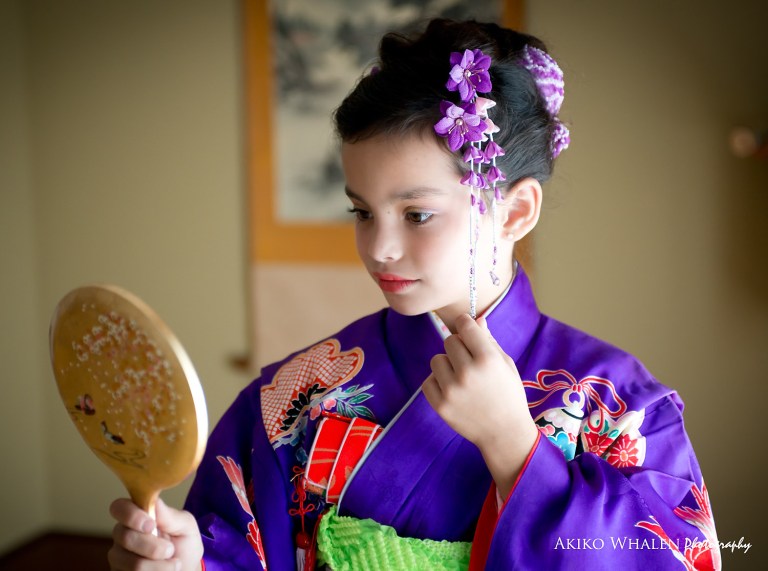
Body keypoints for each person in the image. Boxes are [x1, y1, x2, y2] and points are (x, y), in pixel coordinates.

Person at [108, 19, 720, 571]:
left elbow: (676, 556)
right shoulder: (291, 401)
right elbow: (232, 550)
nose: (380, 248)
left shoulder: (623, 410)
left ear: (515, 211)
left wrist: (516, 448)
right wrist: (186, 562)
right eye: (362, 212)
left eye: (417, 215)